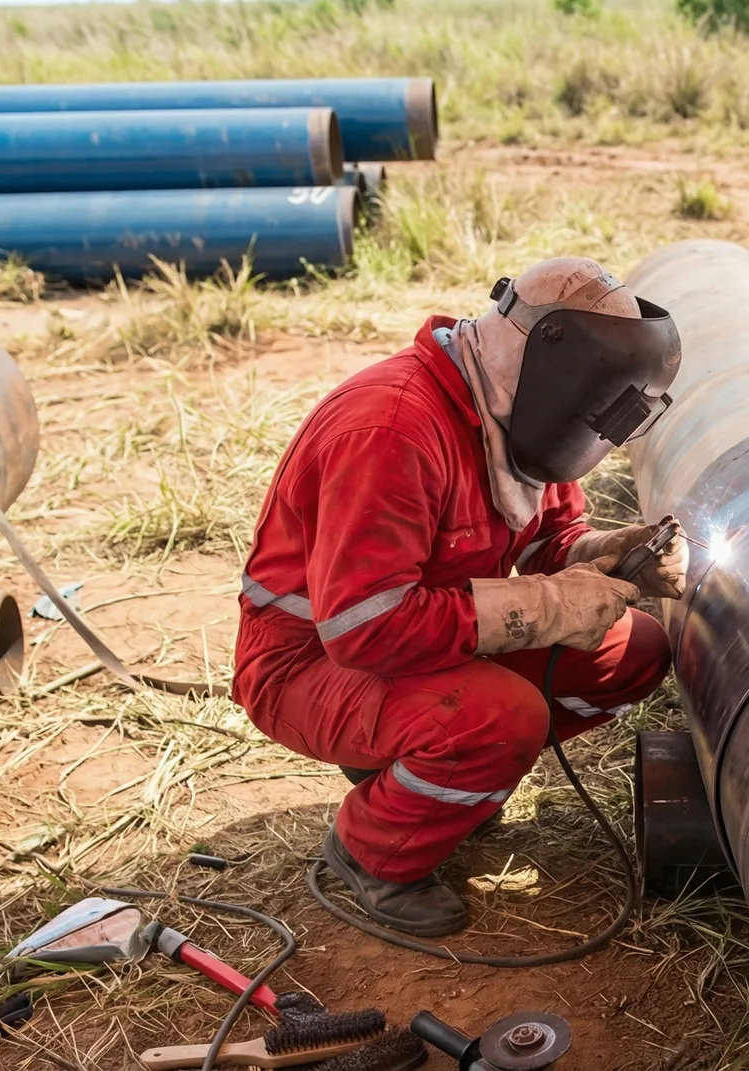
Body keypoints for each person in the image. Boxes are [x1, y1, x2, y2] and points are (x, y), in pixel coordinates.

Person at [232, 257, 684, 938]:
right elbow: (367, 628)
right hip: (311, 664)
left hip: (422, 643)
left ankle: (428, 774)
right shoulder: (391, 430)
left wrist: (608, 555)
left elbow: (548, 541)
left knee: (634, 651)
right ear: (552, 370)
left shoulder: (516, 419)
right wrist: (552, 603)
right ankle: (373, 851)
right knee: (498, 721)